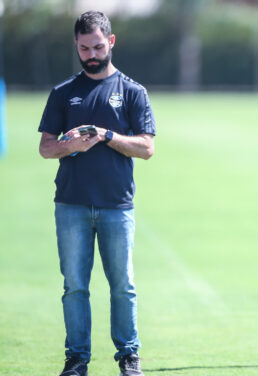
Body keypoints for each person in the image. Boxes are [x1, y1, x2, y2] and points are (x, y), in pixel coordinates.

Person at [38, 11, 155, 376]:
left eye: (98, 46)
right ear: (76, 45)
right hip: (71, 204)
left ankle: (129, 357)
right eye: (85, 47)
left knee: (123, 286)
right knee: (74, 287)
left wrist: (106, 136)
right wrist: (71, 145)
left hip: (116, 206)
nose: (92, 54)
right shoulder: (63, 93)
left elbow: (146, 147)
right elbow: (45, 148)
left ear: (112, 42)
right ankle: (76, 359)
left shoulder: (132, 91)